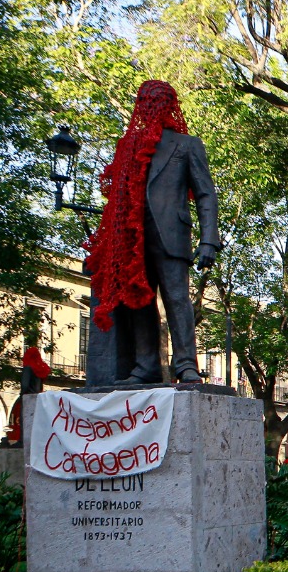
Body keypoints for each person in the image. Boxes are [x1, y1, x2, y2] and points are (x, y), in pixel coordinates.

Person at [86, 79, 221, 385]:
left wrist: (209, 239)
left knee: (177, 299)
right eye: (147, 101)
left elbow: (205, 194)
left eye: (158, 101)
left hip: (171, 235)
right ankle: (145, 365)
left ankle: (186, 364)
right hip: (132, 238)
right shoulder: (127, 149)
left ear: (170, 104)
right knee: (139, 301)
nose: (152, 107)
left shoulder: (187, 145)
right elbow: (115, 200)